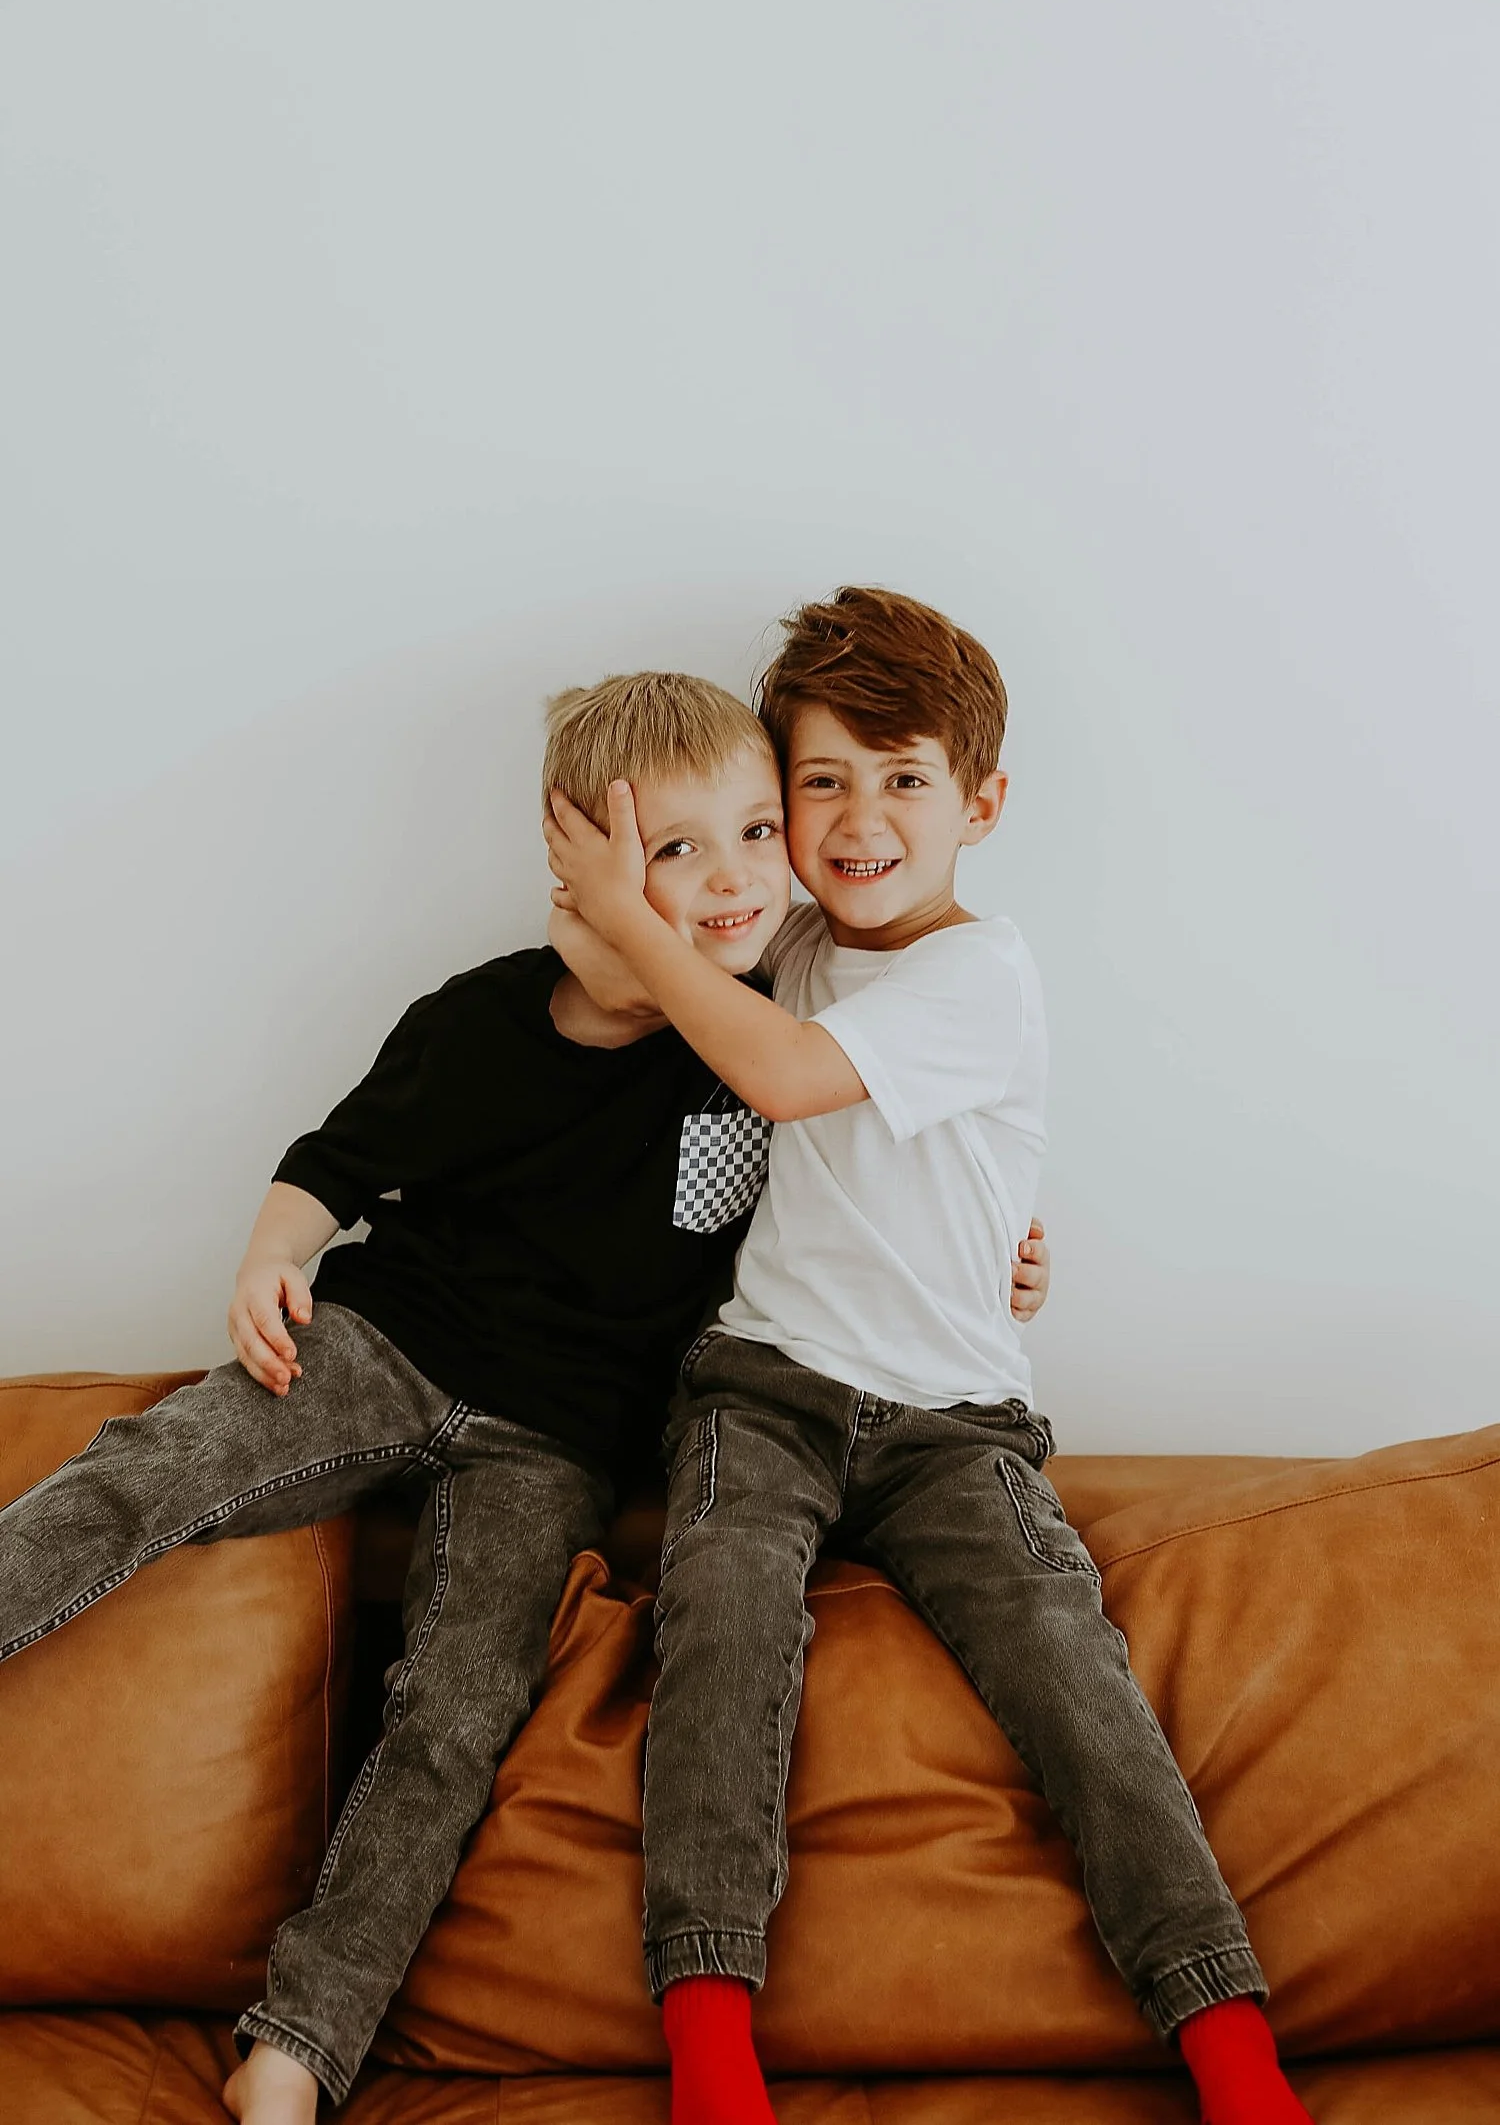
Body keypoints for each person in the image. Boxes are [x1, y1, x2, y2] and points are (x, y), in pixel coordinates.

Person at [2, 674, 1031, 2124]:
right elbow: (335, 1159)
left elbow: (881, 1204)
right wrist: (269, 1254)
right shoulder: (484, 1018)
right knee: (157, 1465)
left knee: (455, 1713)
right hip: (391, 1342)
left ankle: (294, 2050)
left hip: (555, 1442)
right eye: (676, 850)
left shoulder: (776, 1045)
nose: (736, 875)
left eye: (753, 830)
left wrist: (1006, 1254)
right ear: (585, 869)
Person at [544, 586, 1313, 2125]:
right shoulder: (788, 940)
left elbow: (774, 1072)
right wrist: (631, 892)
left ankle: (1231, 2052)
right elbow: (652, 1000)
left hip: (957, 1417)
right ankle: (711, 2050)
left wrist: (637, 922)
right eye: (818, 782)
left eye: (903, 779)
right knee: (725, 1616)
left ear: (983, 802)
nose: (858, 818)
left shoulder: (981, 971)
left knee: (1066, 1663)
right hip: (762, 1387)